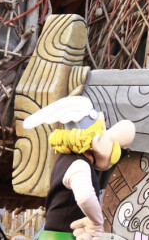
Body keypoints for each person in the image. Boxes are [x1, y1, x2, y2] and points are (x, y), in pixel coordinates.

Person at [23, 96, 136, 240]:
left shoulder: (64, 161)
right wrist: (96, 222)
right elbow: (84, 196)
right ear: (93, 139)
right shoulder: (79, 163)